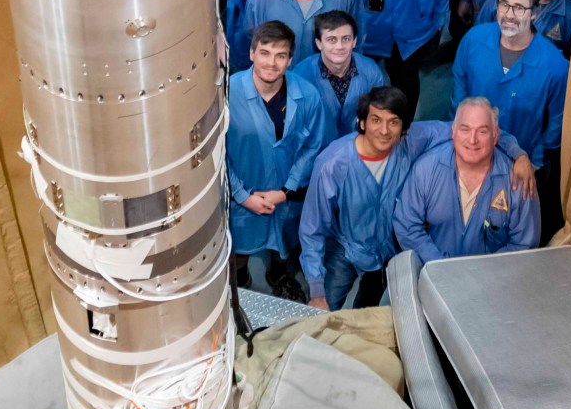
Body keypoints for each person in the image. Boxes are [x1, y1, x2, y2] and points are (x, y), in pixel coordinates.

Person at [299, 84, 538, 309]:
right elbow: (312, 228)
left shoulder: (412, 140)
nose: (384, 131)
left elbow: (473, 129)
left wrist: (518, 155)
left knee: (372, 312)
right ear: (361, 123)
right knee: (321, 313)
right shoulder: (332, 164)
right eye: (375, 120)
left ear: (404, 128)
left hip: (388, 250)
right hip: (345, 251)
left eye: (393, 122)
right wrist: (316, 289)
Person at [226, 20, 330, 297]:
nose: (272, 63)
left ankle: (278, 276)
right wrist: (242, 196)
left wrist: (285, 191)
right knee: (238, 251)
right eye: (265, 53)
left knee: (284, 245)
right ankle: (241, 281)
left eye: (280, 55)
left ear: (290, 59)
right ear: (251, 54)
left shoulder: (307, 96)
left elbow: (313, 147)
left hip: (286, 196)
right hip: (242, 197)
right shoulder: (226, 94)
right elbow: (217, 153)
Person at [393, 95, 540, 263]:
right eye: (465, 129)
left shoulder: (519, 180)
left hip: (493, 280)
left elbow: (524, 244)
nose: (472, 140)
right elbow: (406, 225)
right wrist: (439, 265)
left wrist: (480, 274)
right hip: (433, 271)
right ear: (453, 131)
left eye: (483, 131)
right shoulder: (426, 168)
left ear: (496, 136)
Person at [450, 0, 566, 178]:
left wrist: (536, 160)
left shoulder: (555, 66)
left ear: (534, 15)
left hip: (518, 160)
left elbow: (556, 120)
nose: (509, 15)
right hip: (469, 147)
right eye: (504, 5)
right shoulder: (473, 40)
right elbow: (459, 87)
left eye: (520, 8)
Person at [294, 7, 386, 140]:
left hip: (359, 147)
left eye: (346, 39)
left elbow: (379, 114)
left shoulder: (372, 71)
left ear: (354, 41)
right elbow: (297, 128)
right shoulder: (300, 75)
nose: (339, 46)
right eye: (331, 39)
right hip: (316, 150)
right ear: (319, 43)